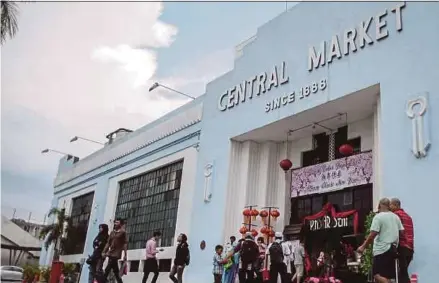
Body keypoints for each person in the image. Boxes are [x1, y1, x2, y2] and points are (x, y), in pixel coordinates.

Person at [357, 198, 404, 283]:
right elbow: (402, 232)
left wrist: (363, 246)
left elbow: (372, 234)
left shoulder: (378, 217)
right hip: (393, 249)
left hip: (382, 249)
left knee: (377, 275)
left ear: (380, 205)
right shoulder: (395, 217)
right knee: (387, 276)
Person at [390, 198, 414, 283]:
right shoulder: (408, 216)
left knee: (402, 274)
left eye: (391, 205)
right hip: (410, 248)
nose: (390, 207)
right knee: (402, 273)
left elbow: (395, 231)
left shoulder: (396, 215)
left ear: (396, 205)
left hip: (402, 247)